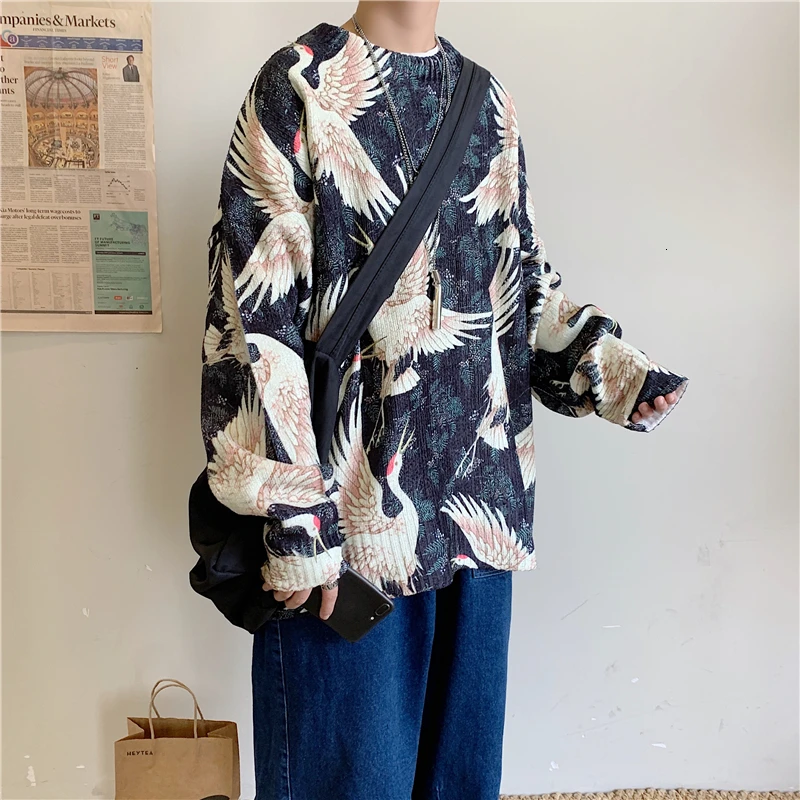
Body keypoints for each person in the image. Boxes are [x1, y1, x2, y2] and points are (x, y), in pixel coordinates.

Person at [196, 2, 688, 798]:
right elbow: (253, 318)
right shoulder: (298, 86)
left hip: (475, 519)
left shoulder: (487, 102)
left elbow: (518, 284)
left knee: (462, 785)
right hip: (348, 538)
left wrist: (608, 370)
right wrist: (295, 519)